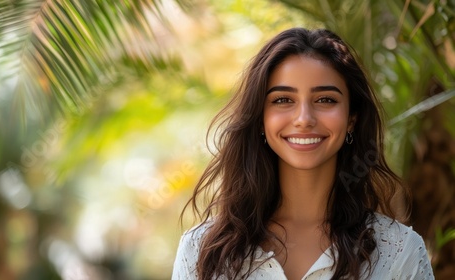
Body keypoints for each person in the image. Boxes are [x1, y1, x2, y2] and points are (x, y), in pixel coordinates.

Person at [172, 28, 434, 279]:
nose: (304, 119)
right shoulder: (201, 251)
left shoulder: (400, 251)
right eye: (283, 100)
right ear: (261, 118)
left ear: (352, 118)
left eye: (325, 100)